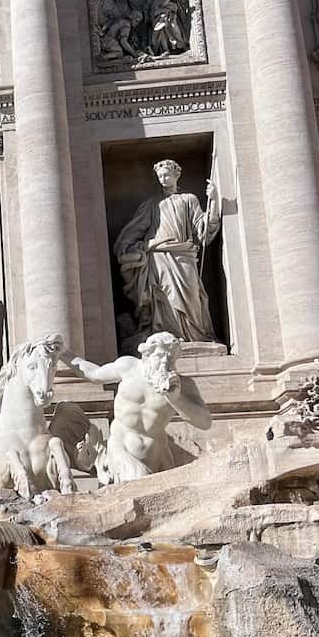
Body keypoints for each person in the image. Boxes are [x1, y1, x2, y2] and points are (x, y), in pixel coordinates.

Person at [60, 333, 212, 483]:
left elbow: (205, 422)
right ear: (146, 355)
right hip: (122, 449)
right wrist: (64, 353)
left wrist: (175, 399)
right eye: (159, 356)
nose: (165, 362)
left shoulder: (183, 385)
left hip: (159, 455)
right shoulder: (128, 367)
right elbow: (94, 374)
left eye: (171, 357)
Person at [114, 159, 220, 343]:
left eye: (167, 175)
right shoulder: (151, 204)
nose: (163, 179)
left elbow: (202, 230)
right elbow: (134, 230)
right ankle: (169, 339)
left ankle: (196, 337)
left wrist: (214, 201)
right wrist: (127, 248)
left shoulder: (188, 199)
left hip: (184, 254)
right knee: (166, 297)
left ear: (176, 175)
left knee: (192, 299)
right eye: (160, 176)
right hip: (159, 256)